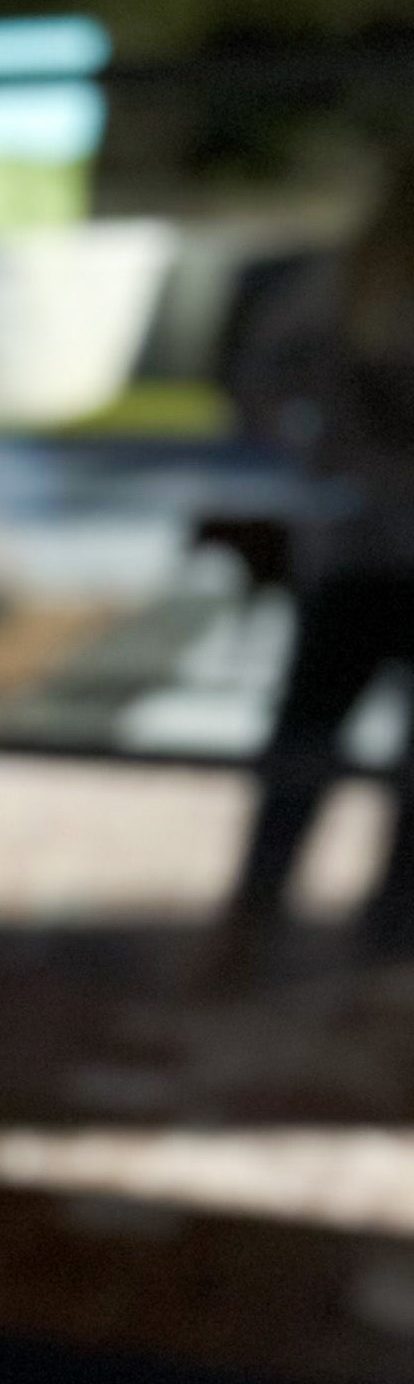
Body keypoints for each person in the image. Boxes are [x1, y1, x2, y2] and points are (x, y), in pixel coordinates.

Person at [223, 150, 414, 954]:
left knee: (307, 735)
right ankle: (269, 910)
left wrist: (324, 453)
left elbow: (263, 382)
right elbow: (263, 382)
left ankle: (363, 922)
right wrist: (327, 454)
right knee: (307, 734)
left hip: (355, 540)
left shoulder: (342, 280)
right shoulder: (344, 281)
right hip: (358, 544)